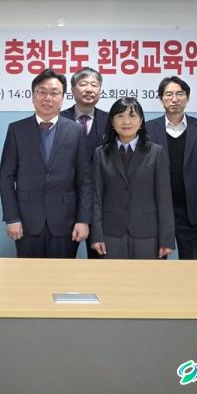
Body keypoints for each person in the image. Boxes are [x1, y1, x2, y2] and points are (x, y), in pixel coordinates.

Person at [0, 68, 91, 258]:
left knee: (63, 273)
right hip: (26, 222)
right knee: (28, 274)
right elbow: (6, 177)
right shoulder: (17, 129)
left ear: (63, 98)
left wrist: (83, 220)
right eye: (42, 92)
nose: (48, 98)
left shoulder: (76, 131)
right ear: (33, 96)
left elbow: (84, 180)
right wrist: (12, 218)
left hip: (65, 222)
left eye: (54, 93)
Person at [90, 97, 175, 259]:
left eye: (132, 116)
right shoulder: (101, 153)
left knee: (147, 275)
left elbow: (164, 198)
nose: (126, 122)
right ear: (112, 122)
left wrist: (167, 239)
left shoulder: (156, 152)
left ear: (141, 121)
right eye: (120, 116)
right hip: (111, 233)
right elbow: (96, 197)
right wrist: (97, 235)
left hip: (148, 232)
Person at [146, 76, 197, 259]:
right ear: (161, 99)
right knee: (155, 261)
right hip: (156, 209)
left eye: (179, 94)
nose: (174, 99)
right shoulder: (147, 129)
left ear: (187, 98)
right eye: (168, 94)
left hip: (190, 209)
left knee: (190, 262)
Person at [61, 66, 110, 258]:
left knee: (100, 263)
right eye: (83, 84)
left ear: (100, 90)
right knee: (62, 262)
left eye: (94, 85)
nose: (89, 89)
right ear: (73, 90)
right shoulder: (58, 119)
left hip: (102, 204)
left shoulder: (111, 121)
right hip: (66, 203)